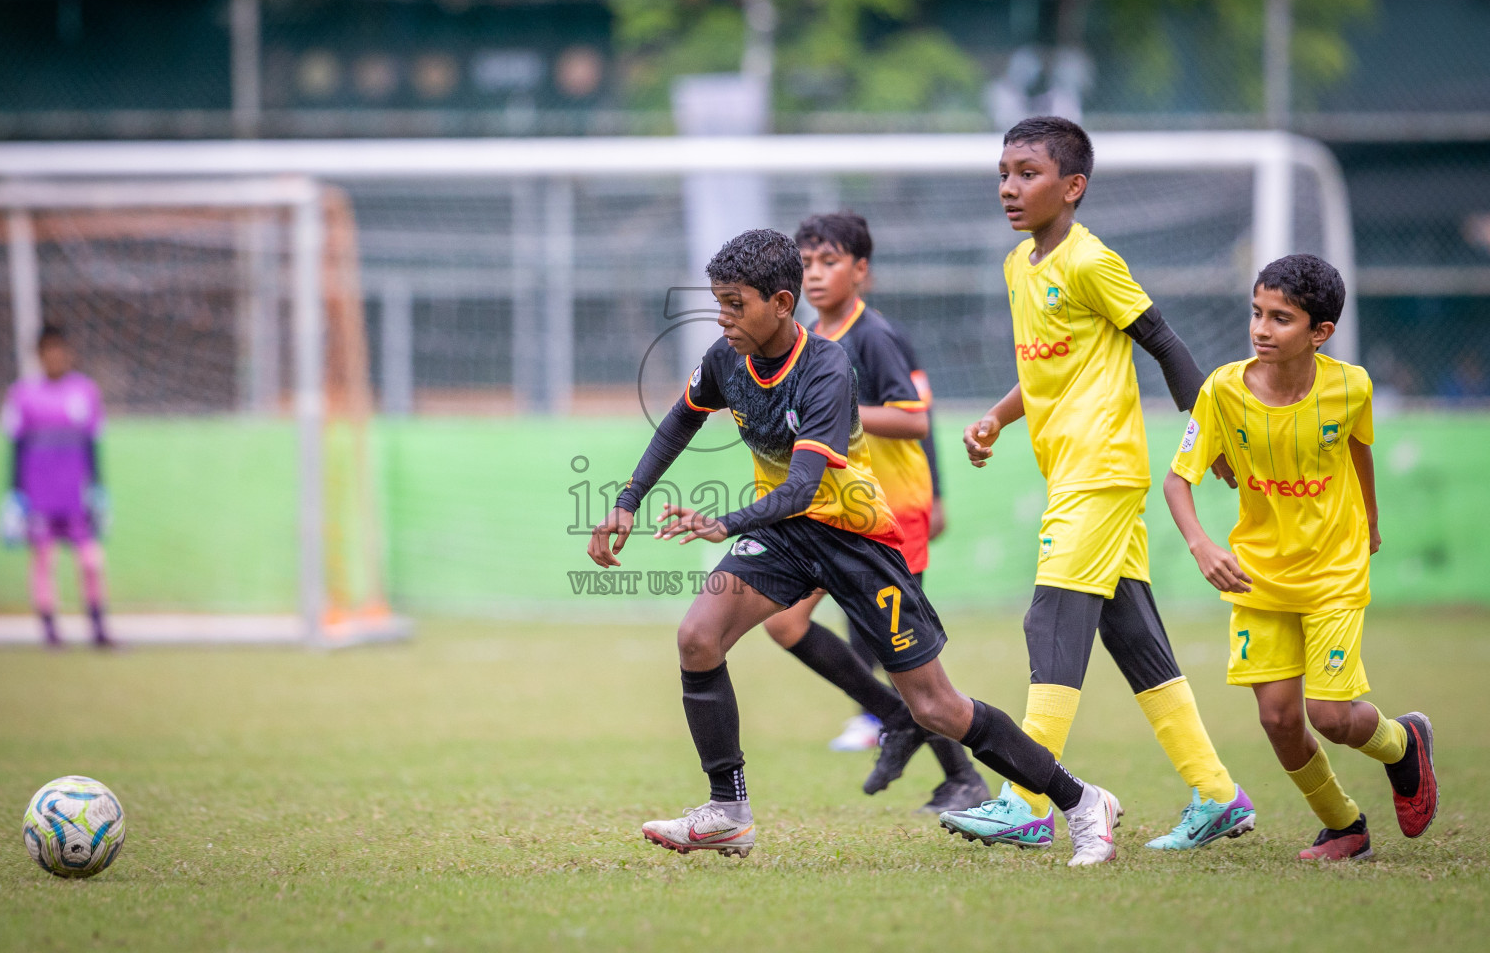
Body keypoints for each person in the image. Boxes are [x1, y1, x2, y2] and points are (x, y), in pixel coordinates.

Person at [587, 228, 1123, 866]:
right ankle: (727, 811)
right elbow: (681, 417)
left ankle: (1083, 801)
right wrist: (628, 500)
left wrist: (722, 524)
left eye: (736, 304)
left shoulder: (827, 366)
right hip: (785, 537)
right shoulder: (726, 358)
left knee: (937, 707)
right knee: (698, 638)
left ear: (781, 304)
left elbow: (804, 487)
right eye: (718, 303)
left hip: (854, 540)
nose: (723, 318)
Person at [946, 116, 1253, 852]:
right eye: (1005, 172)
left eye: (1028, 173)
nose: (1009, 187)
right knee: (1134, 638)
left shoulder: (1092, 262)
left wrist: (1207, 436)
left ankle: (1026, 799)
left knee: (1046, 620)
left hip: (1104, 470)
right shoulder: (1020, 267)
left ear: (1072, 187)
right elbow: (1043, 367)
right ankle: (1217, 794)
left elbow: (1165, 343)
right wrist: (996, 416)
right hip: (1071, 473)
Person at [1165, 254, 1438, 860]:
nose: (1262, 329)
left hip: (1333, 570)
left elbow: (1358, 448)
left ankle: (1401, 744)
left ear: (1320, 332)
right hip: (1257, 574)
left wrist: (1369, 517)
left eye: (1281, 318)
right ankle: (1344, 826)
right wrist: (1202, 544)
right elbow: (1177, 481)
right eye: (1257, 313)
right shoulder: (1222, 391)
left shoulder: (1352, 386)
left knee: (1332, 716)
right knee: (1280, 721)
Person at [756, 212, 990, 814]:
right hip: (833, 511)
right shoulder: (807, 336)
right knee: (784, 622)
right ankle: (893, 718)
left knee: (901, 654)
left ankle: (963, 778)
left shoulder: (874, 335)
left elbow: (914, 416)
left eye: (829, 262)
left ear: (861, 270)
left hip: (889, 514)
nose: (815, 274)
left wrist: (840, 411)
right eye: (806, 263)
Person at [0, 324, 114, 648]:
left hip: (76, 495)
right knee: (44, 562)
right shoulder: (22, 395)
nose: (55, 356)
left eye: (60, 349)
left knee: (91, 561)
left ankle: (98, 626)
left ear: (69, 353)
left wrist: (99, 488)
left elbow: (93, 443)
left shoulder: (85, 392)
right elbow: (16, 447)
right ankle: (50, 631)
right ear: (39, 355)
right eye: (48, 350)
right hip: (39, 496)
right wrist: (14, 493)